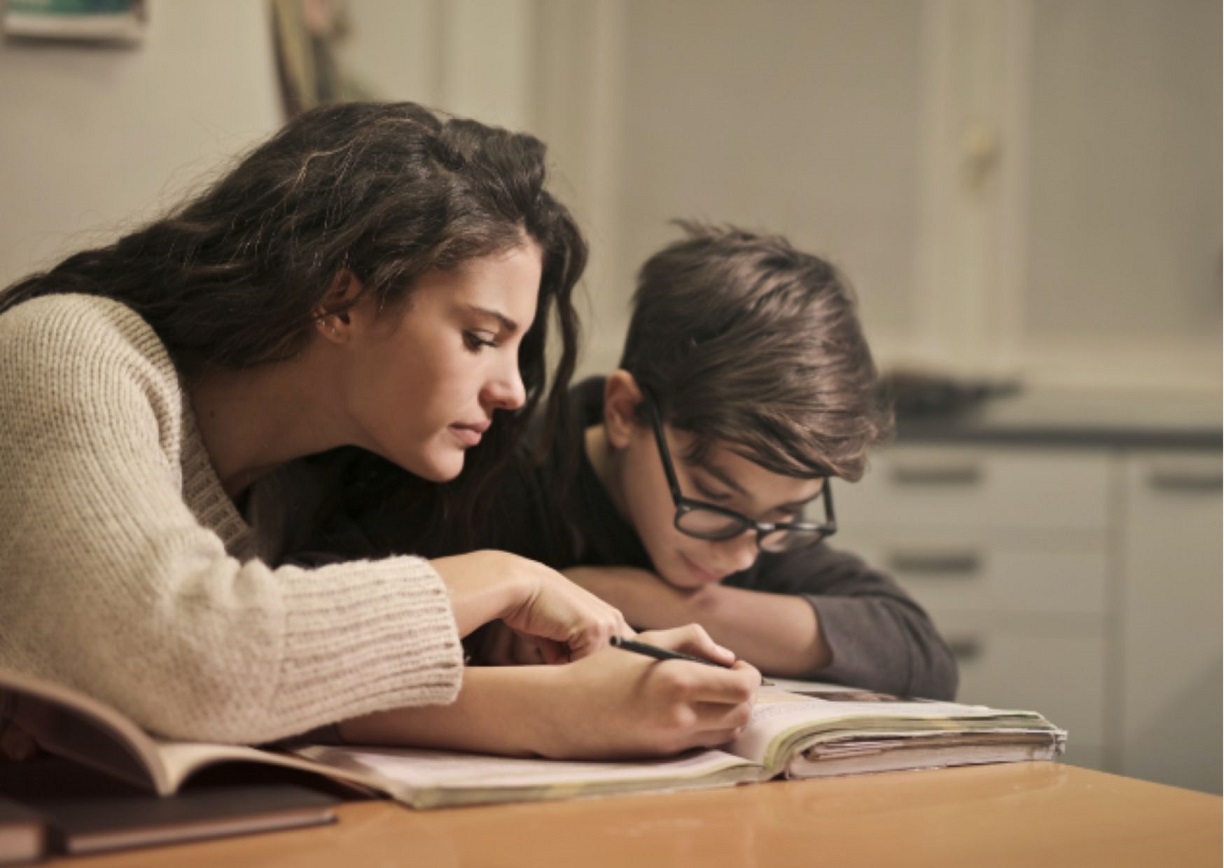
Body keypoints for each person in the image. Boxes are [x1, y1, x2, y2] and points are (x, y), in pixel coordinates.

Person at [0, 104, 758, 757]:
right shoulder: (74, 350)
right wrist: (508, 578)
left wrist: (561, 682)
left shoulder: (296, 490)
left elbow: (271, 688)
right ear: (340, 300)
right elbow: (199, 662)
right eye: (481, 337)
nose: (515, 391)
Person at [341, 222, 957, 700]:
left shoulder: (757, 526)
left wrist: (648, 599)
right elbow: (323, 623)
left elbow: (918, 652)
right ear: (625, 412)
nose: (741, 553)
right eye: (714, 499)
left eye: (787, 515)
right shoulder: (485, 473)